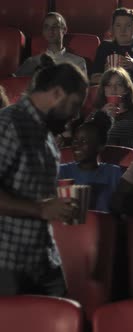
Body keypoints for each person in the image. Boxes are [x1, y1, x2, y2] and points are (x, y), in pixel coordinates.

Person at [0, 55, 88, 296]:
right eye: (74, 105)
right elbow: (41, 207)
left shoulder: (48, 136)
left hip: (44, 259)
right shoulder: (9, 124)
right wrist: (41, 209)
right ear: (57, 93)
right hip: (7, 263)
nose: (75, 115)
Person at [59, 111, 123, 213]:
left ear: (100, 146)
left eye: (84, 141)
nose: (77, 145)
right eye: (75, 141)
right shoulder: (62, 171)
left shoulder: (115, 173)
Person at [91, 68, 133, 150]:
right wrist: (102, 118)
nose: (113, 89)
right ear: (104, 90)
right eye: (108, 85)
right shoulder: (95, 115)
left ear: (126, 90)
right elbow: (86, 140)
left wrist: (117, 145)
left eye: (119, 85)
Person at [15, 12, 87, 76]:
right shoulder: (31, 62)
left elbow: (81, 89)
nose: (50, 30)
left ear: (64, 30)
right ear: (43, 31)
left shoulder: (78, 62)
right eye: (46, 27)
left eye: (55, 26)